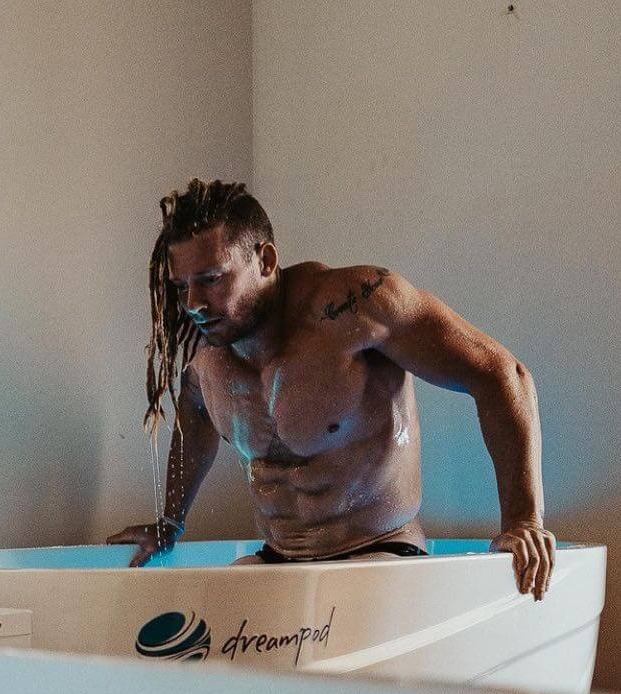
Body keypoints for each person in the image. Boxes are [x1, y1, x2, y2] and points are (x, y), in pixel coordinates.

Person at [106, 179, 555, 600]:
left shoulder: (357, 307)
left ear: (265, 261)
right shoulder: (209, 354)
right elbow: (196, 411)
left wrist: (523, 520)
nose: (193, 304)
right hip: (277, 560)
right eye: (181, 286)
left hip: (380, 555)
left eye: (211, 279)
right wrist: (170, 522)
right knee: (206, 618)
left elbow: (502, 374)